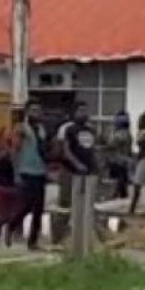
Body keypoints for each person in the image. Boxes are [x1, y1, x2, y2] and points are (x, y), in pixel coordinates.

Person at [53, 101, 99, 247]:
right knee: (65, 204)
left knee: (87, 204)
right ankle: (58, 237)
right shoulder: (67, 128)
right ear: (74, 113)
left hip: (88, 172)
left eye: (86, 110)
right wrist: (76, 164)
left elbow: (93, 149)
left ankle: (87, 237)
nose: (84, 113)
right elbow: (64, 149)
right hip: (69, 171)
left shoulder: (91, 129)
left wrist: (96, 166)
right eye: (80, 110)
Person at [8, 99, 49, 250]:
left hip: (40, 172)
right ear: (27, 112)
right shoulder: (21, 128)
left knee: (39, 209)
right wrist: (16, 172)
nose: (36, 113)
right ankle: (11, 226)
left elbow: (44, 151)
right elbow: (14, 151)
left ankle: (33, 241)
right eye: (33, 110)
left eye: (38, 110)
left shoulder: (42, 129)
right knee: (25, 205)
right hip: (26, 171)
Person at [0, 130, 17, 247]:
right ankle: (6, 233)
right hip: (10, 186)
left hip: (1, 187)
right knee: (11, 212)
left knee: (0, 213)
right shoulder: (14, 155)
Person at [106, 111, 133, 200]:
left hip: (118, 159)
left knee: (117, 178)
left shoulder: (120, 134)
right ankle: (121, 194)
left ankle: (116, 194)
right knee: (121, 177)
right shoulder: (128, 133)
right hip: (124, 158)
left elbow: (112, 144)